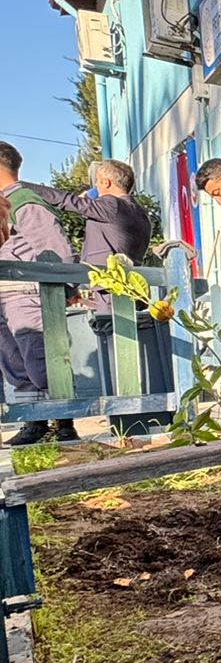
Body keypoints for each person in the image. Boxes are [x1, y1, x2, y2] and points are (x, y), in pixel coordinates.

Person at [24, 159, 164, 437]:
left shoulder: (112, 206)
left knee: (116, 357)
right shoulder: (138, 212)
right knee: (131, 356)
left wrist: (19, 187)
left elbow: (68, 202)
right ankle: (136, 418)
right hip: (129, 291)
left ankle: (127, 421)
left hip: (112, 294)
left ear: (106, 182)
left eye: (97, 182)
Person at [0, 141, 81, 448]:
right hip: (5, 295)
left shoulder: (23, 202)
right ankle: (35, 422)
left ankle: (63, 422)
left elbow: (55, 249)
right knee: (14, 362)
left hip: (29, 293)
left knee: (43, 359)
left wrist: (66, 288)